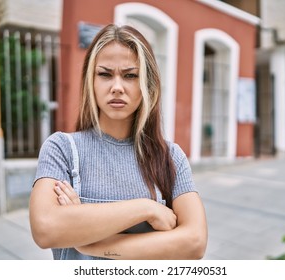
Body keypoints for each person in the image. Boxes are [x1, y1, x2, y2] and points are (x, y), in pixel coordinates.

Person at [29, 24, 208, 260]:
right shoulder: (62, 149)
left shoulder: (170, 157)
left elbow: (194, 242)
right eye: (104, 74)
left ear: (148, 84)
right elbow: (45, 228)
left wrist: (88, 242)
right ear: (90, 81)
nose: (116, 87)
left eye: (130, 75)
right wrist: (146, 208)